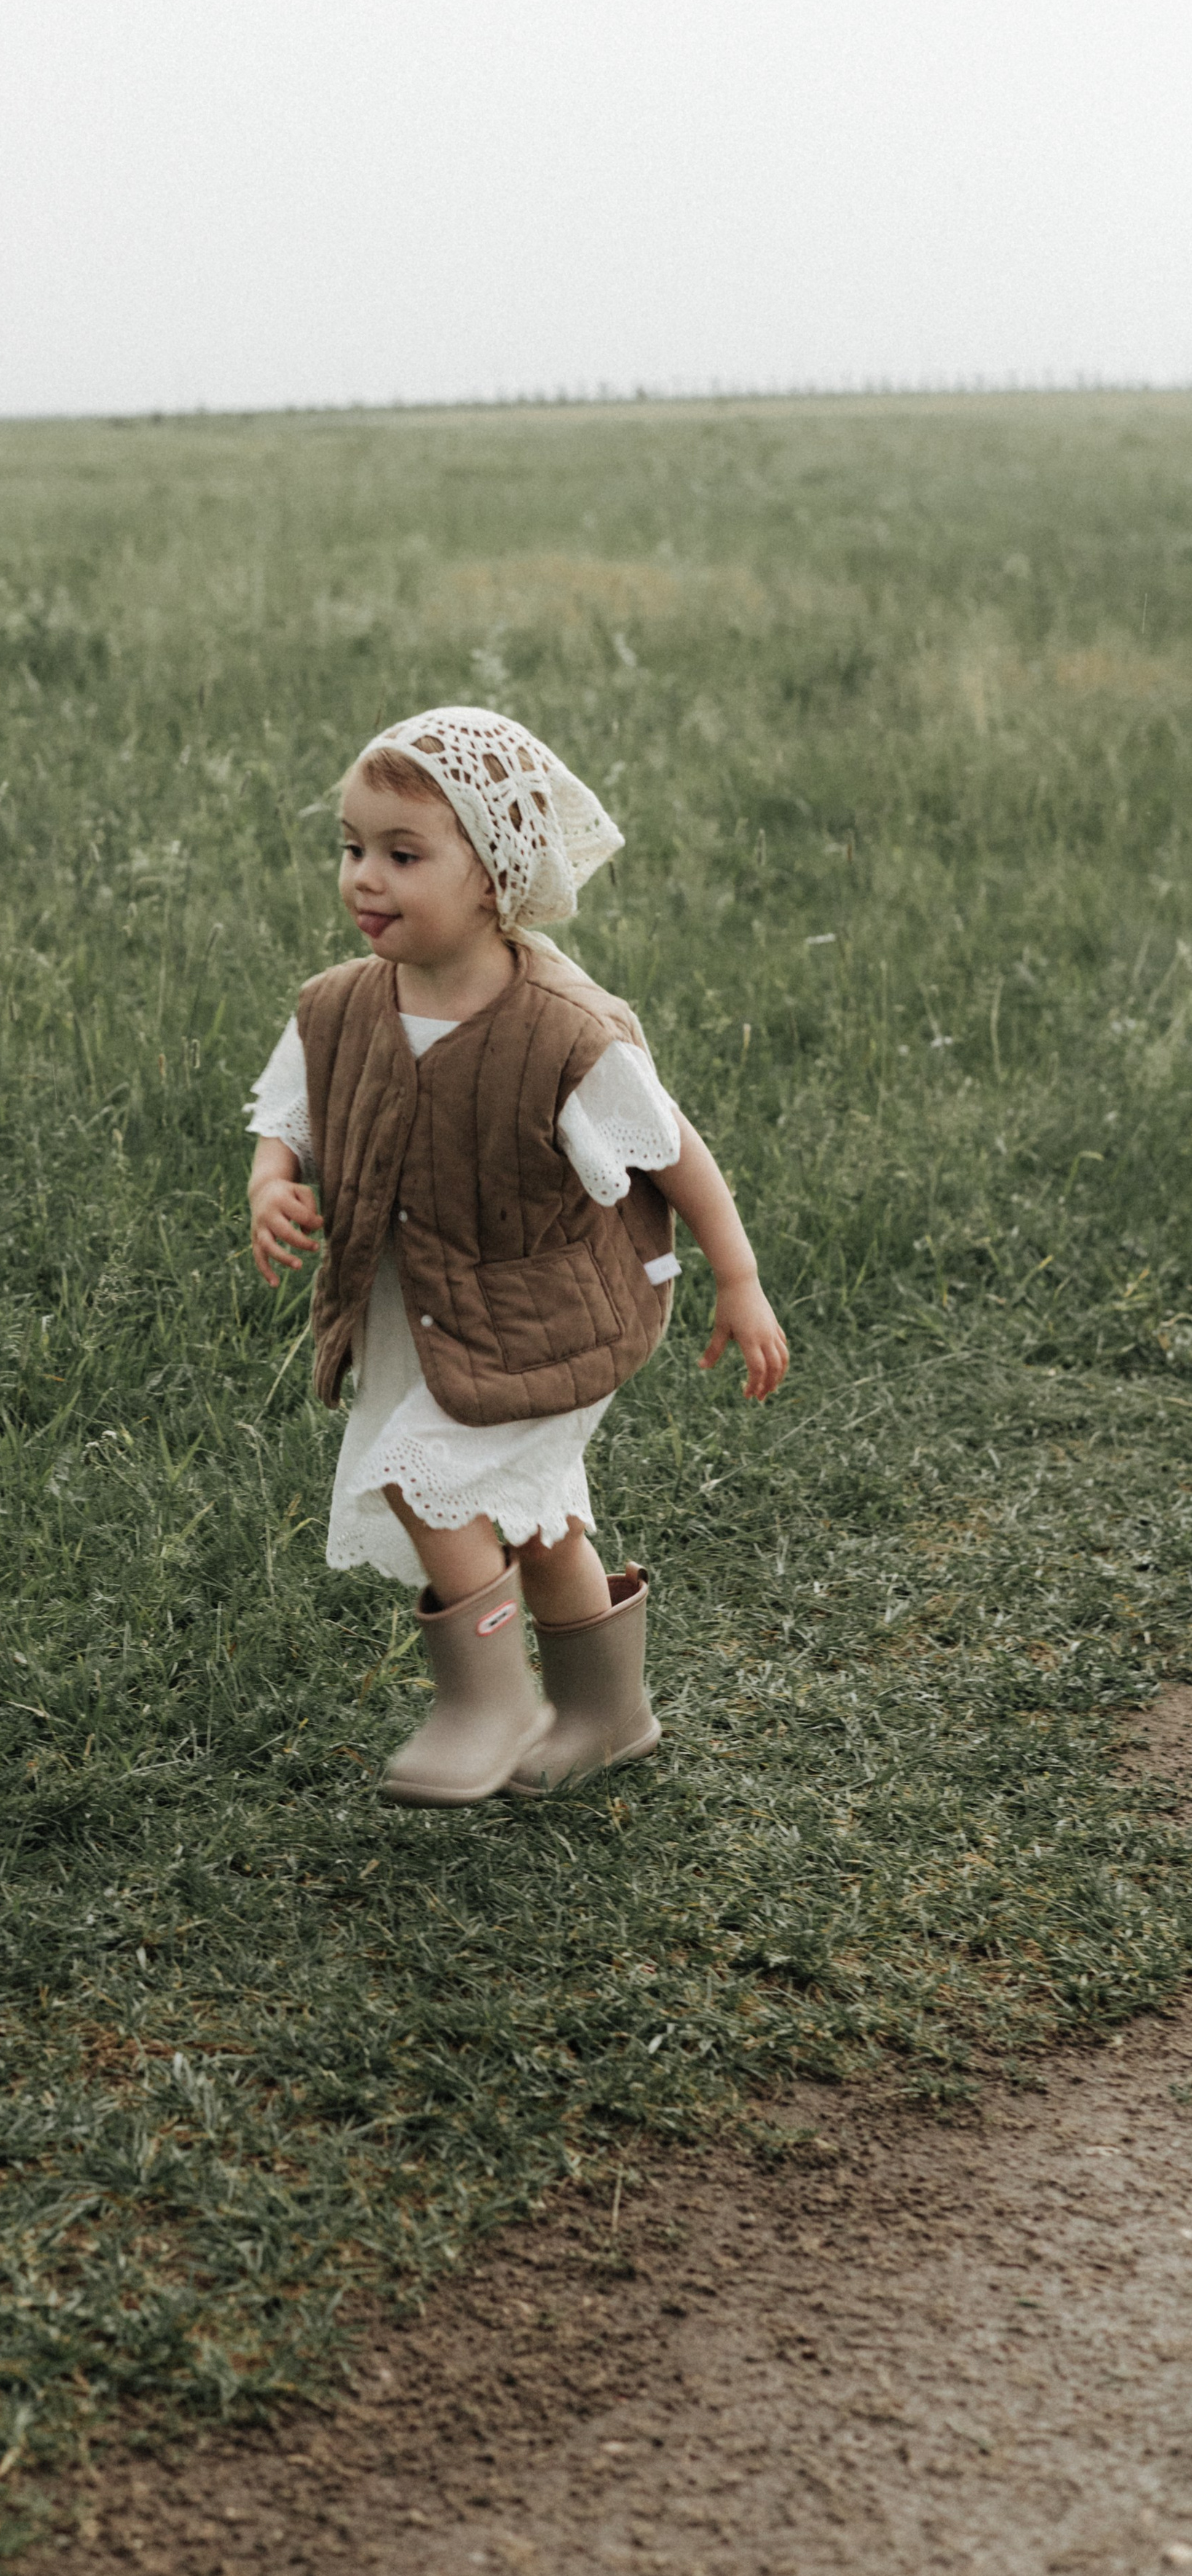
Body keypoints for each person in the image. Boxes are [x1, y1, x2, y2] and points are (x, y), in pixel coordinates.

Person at [246, 708, 788, 1809]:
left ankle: (489, 1702)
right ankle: (605, 1714)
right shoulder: (340, 1006)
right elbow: (290, 1113)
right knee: (540, 1518)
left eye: (405, 855)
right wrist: (271, 1183)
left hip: (556, 1309)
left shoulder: (566, 1029)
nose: (366, 878)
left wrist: (737, 1276)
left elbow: (677, 1157)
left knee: (425, 1480)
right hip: (426, 1310)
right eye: (353, 848)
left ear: (496, 877)